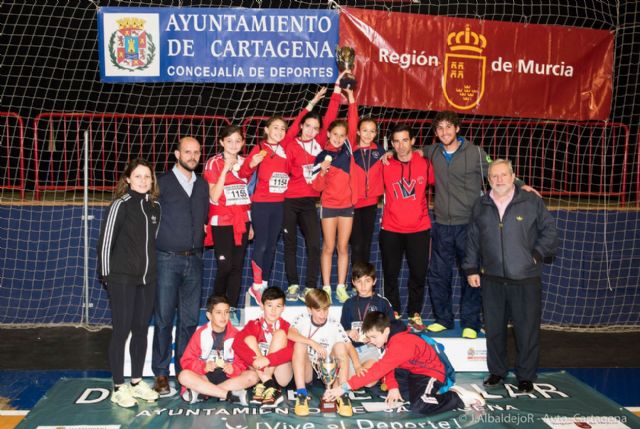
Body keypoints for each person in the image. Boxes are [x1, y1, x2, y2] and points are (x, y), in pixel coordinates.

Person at [421, 111, 539, 339]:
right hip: (442, 225)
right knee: (438, 275)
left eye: (448, 127)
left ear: (457, 129)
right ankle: (443, 319)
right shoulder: (432, 151)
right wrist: (388, 155)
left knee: (472, 275)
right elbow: (411, 152)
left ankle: (470, 323)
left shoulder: (475, 152)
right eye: (440, 129)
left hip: (469, 226)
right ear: (436, 133)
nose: (444, 132)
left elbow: (497, 172)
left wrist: (522, 185)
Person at [463, 159, 558, 393]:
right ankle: (497, 372)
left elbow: (550, 231)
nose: (499, 180)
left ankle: (526, 376)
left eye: (503, 175)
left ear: (513, 175)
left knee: (526, 330)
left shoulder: (531, 200)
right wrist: (471, 269)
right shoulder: (481, 204)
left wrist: (535, 255)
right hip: (492, 278)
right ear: (488, 179)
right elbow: (473, 239)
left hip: (525, 279)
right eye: (494, 176)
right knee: (494, 329)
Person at [242, 88, 327, 305]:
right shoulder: (259, 148)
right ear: (266, 129)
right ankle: (256, 285)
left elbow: (300, 125)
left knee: (271, 245)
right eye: (275, 127)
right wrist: (250, 165)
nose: (280, 131)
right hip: (261, 204)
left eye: (283, 128)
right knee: (261, 244)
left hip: (279, 205)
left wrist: (312, 103)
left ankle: (264, 283)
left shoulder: (285, 148)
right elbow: (244, 173)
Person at [323, 311, 485, 415]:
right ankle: (419, 393)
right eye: (369, 337)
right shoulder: (390, 338)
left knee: (420, 406)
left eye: (373, 337)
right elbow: (390, 366)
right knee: (379, 388)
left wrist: (343, 388)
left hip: (429, 373)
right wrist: (393, 386)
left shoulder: (400, 344)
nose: (371, 342)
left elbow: (380, 369)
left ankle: (456, 397)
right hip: (410, 371)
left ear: (385, 331)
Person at [96, 158, 161, 408]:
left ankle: (136, 382)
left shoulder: (155, 207)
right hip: (121, 279)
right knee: (121, 331)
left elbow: (150, 244)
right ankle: (118, 386)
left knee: (141, 331)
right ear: (128, 180)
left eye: (147, 176)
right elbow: (105, 243)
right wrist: (106, 276)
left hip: (147, 280)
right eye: (138, 176)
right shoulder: (119, 205)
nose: (143, 181)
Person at [152, 136, 209, 395]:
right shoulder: (161, 184)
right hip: (166, 259)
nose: (193, 156)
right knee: (164, 319)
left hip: (195, 260)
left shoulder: (203, 186)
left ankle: (184, 371)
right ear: (177, 154)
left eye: (197, 152)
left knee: (188, 321)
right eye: (188, 151)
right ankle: (161, 374)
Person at [282, 75, 346, 302]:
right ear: (301, 126)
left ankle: (310, 286)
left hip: (310, 201)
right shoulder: (290, 144)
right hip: (289, 200)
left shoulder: (320, 142)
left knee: (314, 244)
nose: (311, 130)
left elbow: (331, 114)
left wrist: (337, 87)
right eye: (307, 126)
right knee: (290, 244)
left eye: (315, 128)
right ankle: (292, 285)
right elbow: (289, 131)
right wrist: (310, 104)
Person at [379, 124, 435, 324]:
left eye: (405, 140)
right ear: (391, 144)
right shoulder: (385, 164)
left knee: (418, 274)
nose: (401, 145)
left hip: (419, 229)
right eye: (396, 141)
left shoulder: (426, 164)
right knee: (390, 273)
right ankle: (393, 310)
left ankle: (415, 313)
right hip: (391, 229)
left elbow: (445, 182)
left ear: (412, 141)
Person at [311, 87, 358, 303]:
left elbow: (353, 120)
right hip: (329, 206)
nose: (339, 138)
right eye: (335, 134)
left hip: (347, 206)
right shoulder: (321, 155)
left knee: (343, 247)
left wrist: (351, 100)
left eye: (342, 135)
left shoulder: (348, 149)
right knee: (328, 247)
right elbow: (316, 188)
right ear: (328, 134)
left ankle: (341, 286)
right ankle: (327, 287)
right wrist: (322, 170)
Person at [203, 125, 255, 308]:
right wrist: (226, 169)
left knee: (237, 268)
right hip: (222, 221)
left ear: (242, 143)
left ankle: (231, 308)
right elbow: (214, 196)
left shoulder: (247, 163)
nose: (233, 144)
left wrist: (251, 223)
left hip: (242, 220)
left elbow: (247, 195)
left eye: (238, 140)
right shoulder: (213, 163)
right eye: (229, 140)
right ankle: (217, 306)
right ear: (221, 142)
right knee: (225, 266)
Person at [288, 289, 358, 417]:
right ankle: (301, 394)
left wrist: (357, 365)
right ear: (310, 310)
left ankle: (342, 394)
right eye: (318, 310)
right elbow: (290, 333)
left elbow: (349, 346)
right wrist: (312, 343)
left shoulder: (334, 324)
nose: (323, 314)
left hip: (330, 370)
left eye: (325, 310)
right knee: (299, 344)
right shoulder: (302, 318)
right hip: (309, 371)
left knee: (340, 346)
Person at [178, 295, 258, 405]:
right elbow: (186, 361)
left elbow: (243, 363)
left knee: (253, 376)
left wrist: (233, 369)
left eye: (226, 312)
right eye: (218, 312)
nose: (223, 316)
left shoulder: (237, 335)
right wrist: (203, 367)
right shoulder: (200, 334)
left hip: (228, 380)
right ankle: (228, 395)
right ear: (209, 315)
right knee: (183, 376)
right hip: (205, 378)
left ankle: (203, 392)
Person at [232, 287, 294, 407]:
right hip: (258, 374)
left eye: (278, 306)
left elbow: (292, 352)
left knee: (280, 334)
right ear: (262, 306)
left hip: (281, 375)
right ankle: (268, 385)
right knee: (249, 339)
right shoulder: (253, 325)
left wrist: (267, 359)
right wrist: (257, 359)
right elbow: (236, 344)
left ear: (283, 308)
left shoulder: (287, 327)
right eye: (269, 305)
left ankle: (268, 382)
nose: (273, 310)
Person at [340, 261, 394, 369]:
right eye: (359, 281)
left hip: (373, 349)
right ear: (353, 282)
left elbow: (391, 329)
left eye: (367, 281)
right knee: (345, 380)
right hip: (352, 350)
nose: (363, 286)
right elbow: (340, 331)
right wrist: (348, 332)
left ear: (374, 281)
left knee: (367, 380)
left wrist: (378, 339)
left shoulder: (382, 303)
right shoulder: (348, 304)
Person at [350, 118, 386, 266]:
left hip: (371, 202)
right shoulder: (351, 150)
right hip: (353, 203)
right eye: (364, 130)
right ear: (358, 131)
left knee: (366, 244)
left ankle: (364, 281)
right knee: (356, 244)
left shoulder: (380, 151)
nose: (368, 134)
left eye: (372, 131)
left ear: (376, 133)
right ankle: (356, 280)